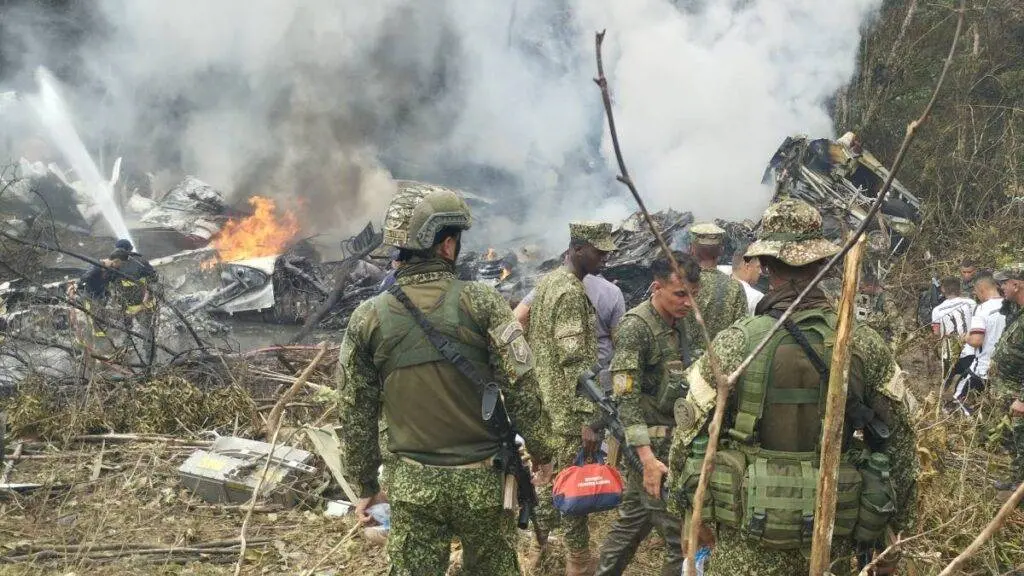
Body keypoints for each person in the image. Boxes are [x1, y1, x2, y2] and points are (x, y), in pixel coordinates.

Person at [666, 199, 918, 575]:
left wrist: (686, 514)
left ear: (766, 265)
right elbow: (900, 440)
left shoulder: (735, 342)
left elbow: (687, 435)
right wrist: (896, 535)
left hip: (745, 549)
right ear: (822, 263)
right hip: (829, 541)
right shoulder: (862, 342)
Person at [336, 182, 555, 575]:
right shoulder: (482, 302)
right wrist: (542, 452)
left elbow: (355, 412)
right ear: (447, 245)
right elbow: (522, 387)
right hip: (483, 483)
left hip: (412, 486)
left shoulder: (367, 317)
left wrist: (366, 486)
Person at [595, 252, 701, 576]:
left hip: (674, 444)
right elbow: (625, 397)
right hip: (651, 450)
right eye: (680, 294)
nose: (688, 303)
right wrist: (646, 459)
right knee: (679, 539)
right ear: (657, 287)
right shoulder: (636, 328)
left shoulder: (682, 324)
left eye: (693, 295)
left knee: (632, 522)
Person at [527, 221, 617, 575]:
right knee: (573, 487)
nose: (604, 258)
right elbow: (576, 363)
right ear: (577, 249)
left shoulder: (548, 283)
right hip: (567, 410)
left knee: (552, 480)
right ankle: (578, 562)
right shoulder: (569, 293)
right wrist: (588, 419)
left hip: (548, 403)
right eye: (598, 251)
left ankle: (537, 545)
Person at [515, 273, 626, 369]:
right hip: (598, 369)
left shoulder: (549, 285)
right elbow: (620, 341)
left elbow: (518, 317)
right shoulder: (612, 292)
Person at [990, 264, 1024, 491]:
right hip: (1008, 387)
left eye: (1004, 283)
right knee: (1011, 437)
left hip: (1019, 389)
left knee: (1021, 439)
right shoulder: (1016, 311)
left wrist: (1022, 398)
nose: (1000, 287)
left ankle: (1020, 489)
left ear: (1017, 284)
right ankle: (1016, 479)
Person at [687, 222, 748, 340]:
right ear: (721, 250)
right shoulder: (735, 288)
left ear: (691, 249)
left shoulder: (679, 285)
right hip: (721, 351)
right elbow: (740, 332)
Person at [955, 272, 1006, 405]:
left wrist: (966, 337)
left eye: (976, 291)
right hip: (1005, 370)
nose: (976, 295)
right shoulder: (1010, 305)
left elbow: (976, 341)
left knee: (959, 398)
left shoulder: (982, 309)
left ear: (982, 289)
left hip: (983, 368)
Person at [112, 239, 160, 363]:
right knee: (141, 333)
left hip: (139, 305)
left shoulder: (124, 264)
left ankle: (146, 359)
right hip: (134, 305)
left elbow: (153, 280)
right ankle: (145, 359)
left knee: (139, 332)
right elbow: (154, 278)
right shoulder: (137, 261)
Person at [67, 249, 131, 340]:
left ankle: (106, 336)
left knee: (103, 316)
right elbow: (83, 280)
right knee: (97, 321)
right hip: (90, 297)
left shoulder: (112, 269)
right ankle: (100, 340)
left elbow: (113, 280)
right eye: (121, 264)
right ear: (116, 261)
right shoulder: (96, 267)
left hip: (101, 296)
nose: (121, 266)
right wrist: (74, 290)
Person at [931, 277, 977, 376]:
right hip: (972, 349)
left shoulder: (937, 310)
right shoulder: (971, 303)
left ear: (943, 290)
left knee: (951, 380)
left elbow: (936, 333)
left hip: (950, 354)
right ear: (960, 289)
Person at [729, 247, 763, 315]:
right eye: (758, 267)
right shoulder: (756, 297)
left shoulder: (717, 287)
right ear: (747, 267)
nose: (760, 271)